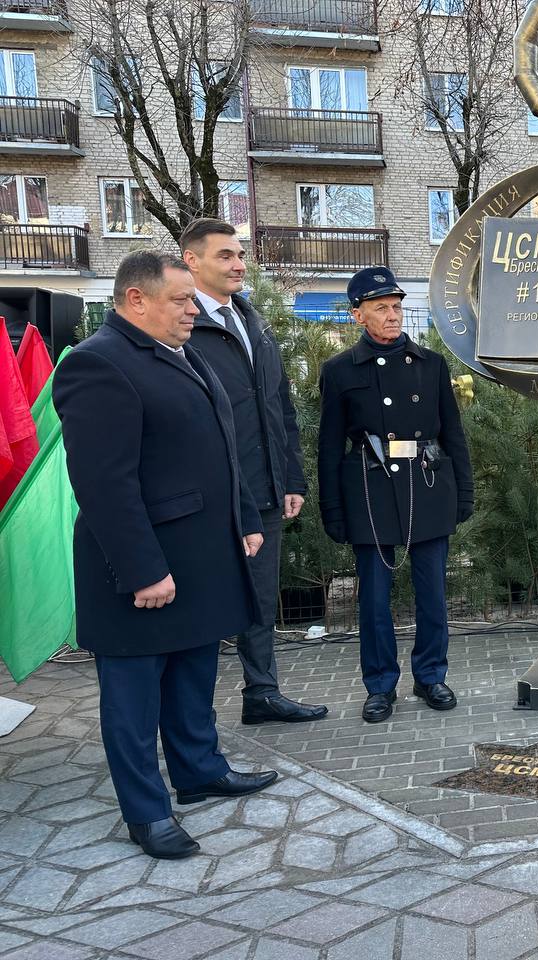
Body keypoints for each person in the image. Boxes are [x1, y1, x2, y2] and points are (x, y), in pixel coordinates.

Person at [53, 252, 278, 860]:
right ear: (135, 300)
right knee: (133, 696)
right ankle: (146, 813)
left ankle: (199, 769)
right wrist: (143, 569)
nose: (192, 309)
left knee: (193, 675)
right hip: (143, 569)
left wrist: (244, 522)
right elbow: (103, 483)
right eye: (180, 300)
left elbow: (221, 452)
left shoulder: (184, 353)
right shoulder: (96, 364)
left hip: (201, 555)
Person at [180, 218, 327, 727]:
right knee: (201, 607)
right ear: (191, 261)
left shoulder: (253, 319)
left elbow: (278, 406)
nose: (239, 264)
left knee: (261, 600)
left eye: (240, 254)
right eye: (225, 255)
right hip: (211, 497)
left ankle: (261, 694)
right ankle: (191, 726)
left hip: (263, 493)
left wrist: (290, 478)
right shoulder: (180, 325)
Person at [318, 267, 474, 723]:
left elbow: (453, 435)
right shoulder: (340, 371)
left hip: (425, 485)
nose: (393, 316)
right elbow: (328, 446)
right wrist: (333, 508)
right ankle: (380, 685)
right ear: (357, 316)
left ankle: (430, 676)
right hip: (371, 489)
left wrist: (464, 490)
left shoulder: (430, 364)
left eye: (397, 307)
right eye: (381, 308)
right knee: (374, 599)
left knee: (432, 594)